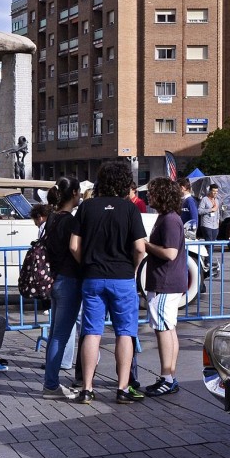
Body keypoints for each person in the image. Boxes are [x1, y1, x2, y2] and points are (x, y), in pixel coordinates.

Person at [70, 161, 147, 404]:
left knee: (91, 332)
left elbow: (74, 245)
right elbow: (139, 248)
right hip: (122, 277)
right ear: (125, 183)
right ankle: (122, 388)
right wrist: (133, 270)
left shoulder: (87, 207)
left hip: (93, 277)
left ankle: (87, 388)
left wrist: (86, 264)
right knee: (125, 333)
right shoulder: (129, 209)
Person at [140, 177, 186, 397]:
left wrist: (145, 245)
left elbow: (170, 253)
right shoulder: (167, 217)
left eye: (152, 192)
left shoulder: (169, 220)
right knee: (169, 329)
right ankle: (169, 376)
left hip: (165, 282)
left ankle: (167, 377)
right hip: (167, 280)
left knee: (163, 330)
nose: (149, 196)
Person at [41, 177, 82, 399]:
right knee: (60, 335)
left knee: (55, 333)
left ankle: (50, 382)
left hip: (54, 278)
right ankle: (51, 385)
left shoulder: (52, 218)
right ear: (74, 193)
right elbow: (75, 249)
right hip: (68, 279)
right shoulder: (70, 221)